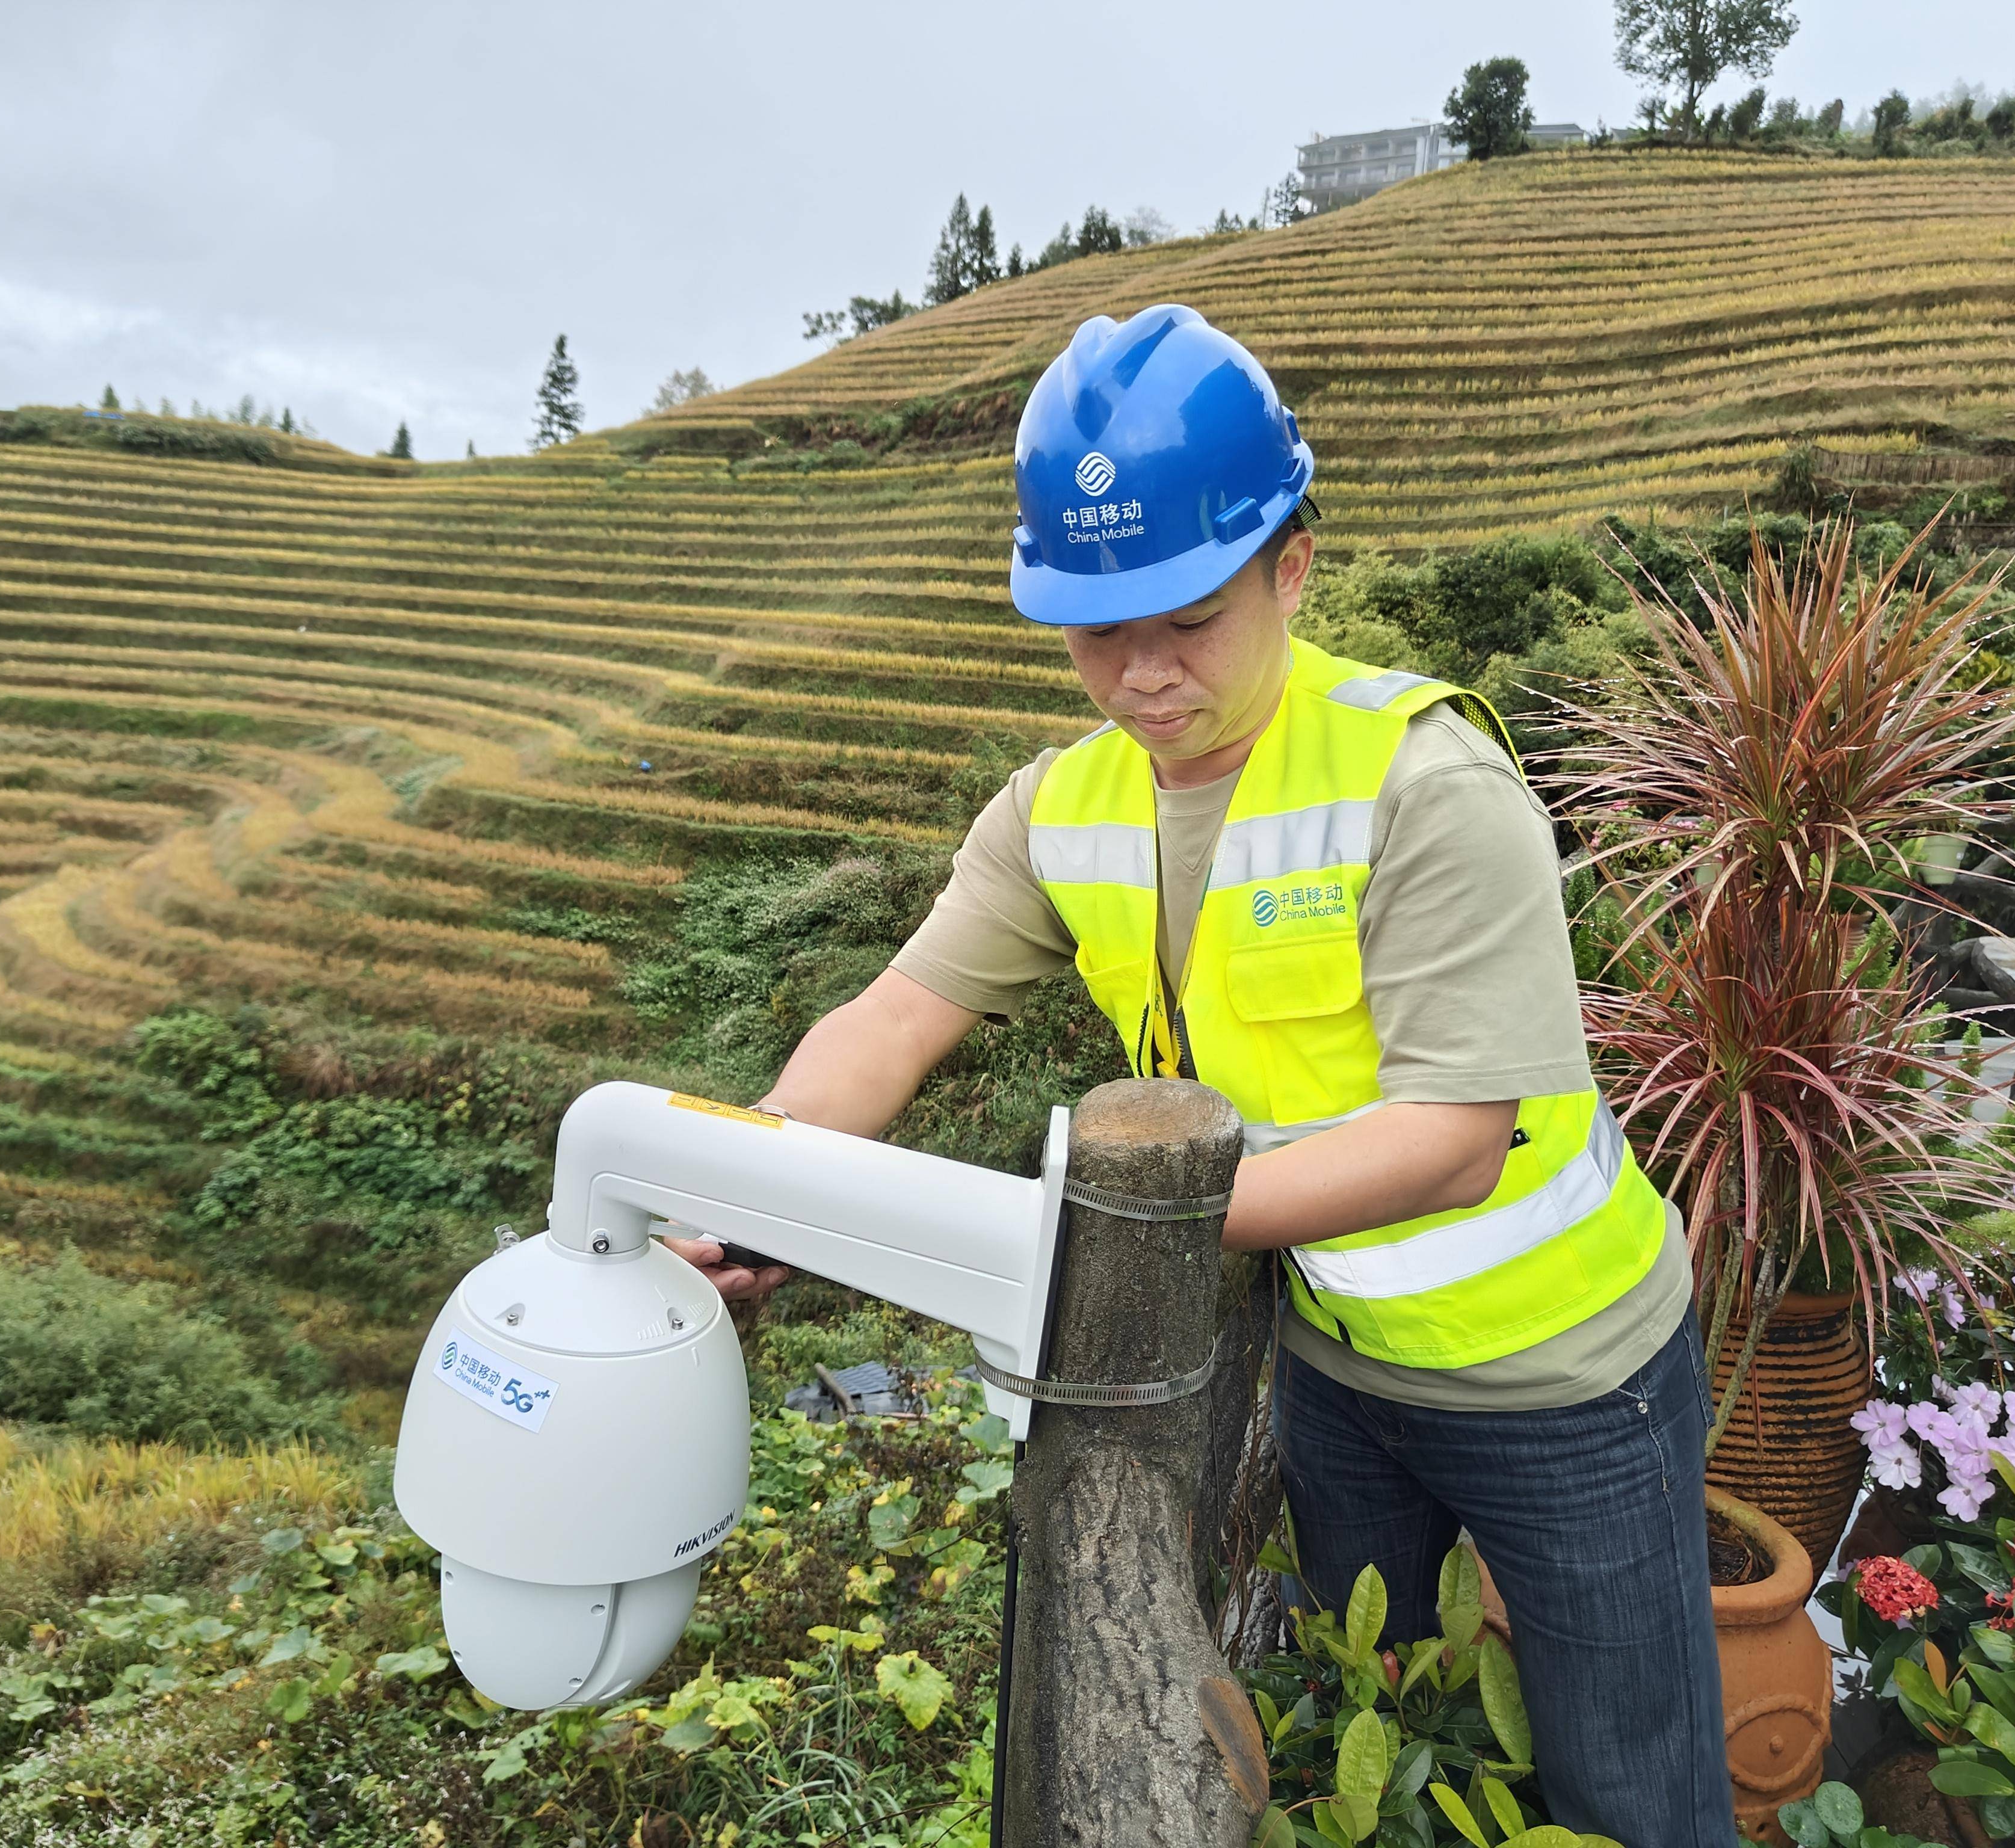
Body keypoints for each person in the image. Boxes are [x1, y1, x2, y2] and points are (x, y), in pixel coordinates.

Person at [665, 304, 1730, 1844]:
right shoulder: (1059, 809)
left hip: (1566, 1379)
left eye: (1189, 619)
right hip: (1339, 1377)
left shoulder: (1424, 781)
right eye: (1100, 631)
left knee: (1627, 1790)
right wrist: (763, 1173)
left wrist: (1105, 1228)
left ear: (1289, 567)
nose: (1142, 676)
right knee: (1388, 1743)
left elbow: (1450, 1141)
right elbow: (893, 1017)